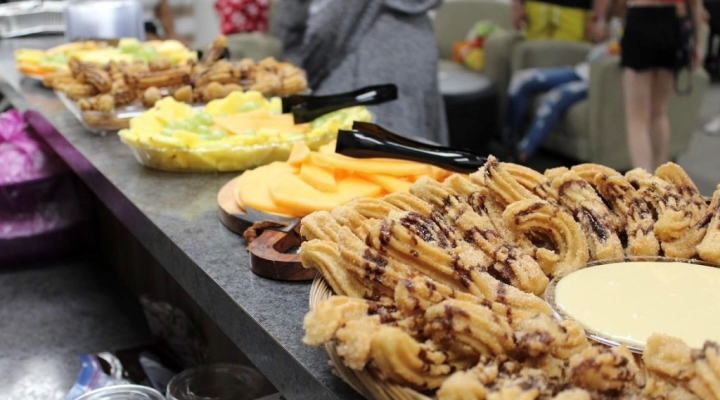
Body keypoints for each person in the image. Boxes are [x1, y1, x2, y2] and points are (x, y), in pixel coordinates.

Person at [274, 0, 448, 145]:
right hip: (414, 46)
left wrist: (301, 70)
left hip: (351, 57)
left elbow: (329, 26)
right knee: (413, 157)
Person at [592, 0, 704, 171]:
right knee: (659, 112)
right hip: (671, 21)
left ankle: (645, 180)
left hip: (641, 18)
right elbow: (695, 5)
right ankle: (659, 176)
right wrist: (699, 43)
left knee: (637, 117)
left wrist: (604, 20)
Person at [505, 23, 621, 161]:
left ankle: (521, 153)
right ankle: (508, 141)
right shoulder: (611, 19)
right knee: (521, 79)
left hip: (599, 80)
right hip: (582, 69)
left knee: (556, 96)